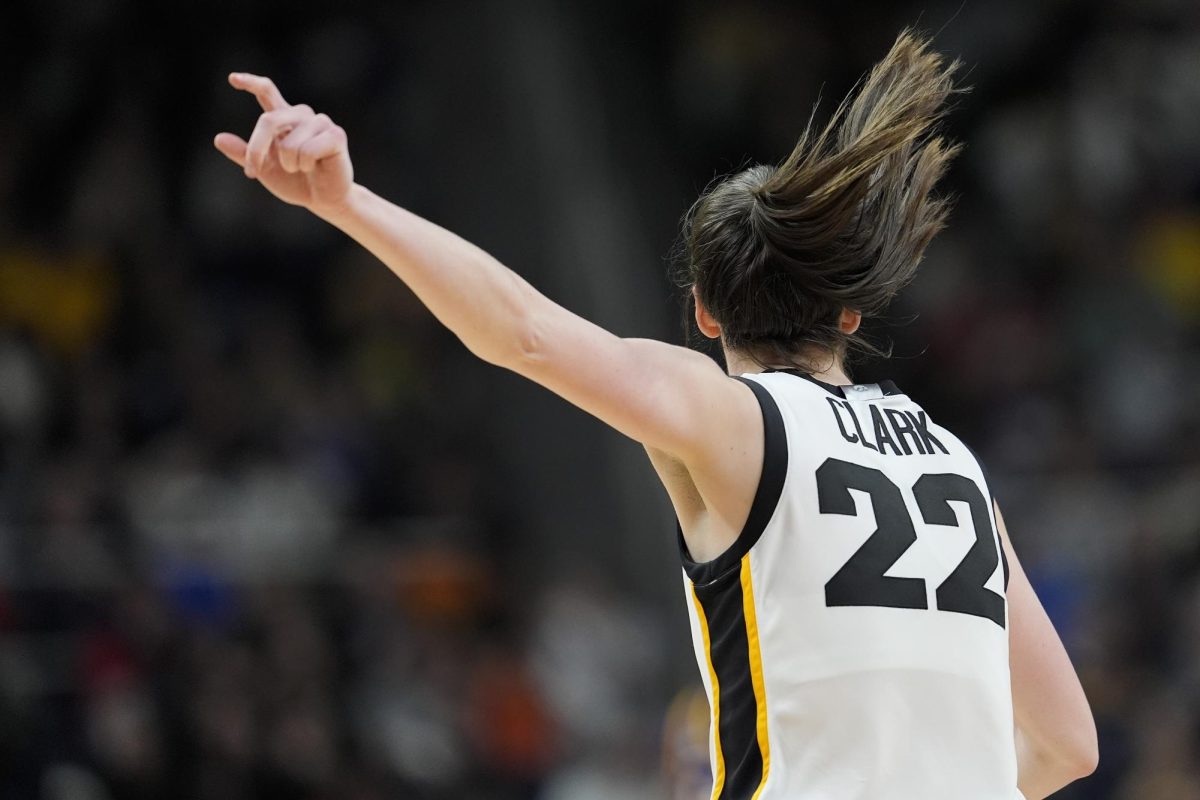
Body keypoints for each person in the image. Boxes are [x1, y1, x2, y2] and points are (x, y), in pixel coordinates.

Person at [214, 29, 1097, 800]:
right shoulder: (955, 466)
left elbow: (523, 332)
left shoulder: (736, 422)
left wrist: (346, 203)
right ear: (852, 317)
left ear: (706, 315)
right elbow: (1070, 745)